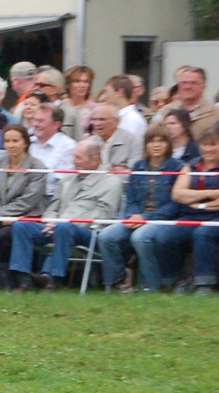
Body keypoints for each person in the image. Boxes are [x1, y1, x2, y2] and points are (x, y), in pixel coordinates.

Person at [5, 138, 121, 291]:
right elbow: (53, 206)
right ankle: (22, 279)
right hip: (56, 227)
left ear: (94, 159)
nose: (74, 161)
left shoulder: (111, 182)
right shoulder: (67, 180)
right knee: (21, 226)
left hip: (88, 231)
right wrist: (50, 222)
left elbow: (103, 215)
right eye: (74, 157)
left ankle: (54, 279)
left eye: (78, 158)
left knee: (64, 228)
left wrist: (64, 224)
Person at [133, 128, 219, 294]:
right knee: (164, 237)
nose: (208, 149)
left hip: (216, 218)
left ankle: (205, 284)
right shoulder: (191, 166)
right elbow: (178, 194)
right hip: (191, 215)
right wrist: (211, 195)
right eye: (204, 145)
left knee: (203, 233)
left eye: (213, 145)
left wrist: (196, 201)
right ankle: (176, 280)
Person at [98, 125, 182, 291]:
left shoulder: (177, 167)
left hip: (162, 220)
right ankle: (117, 283)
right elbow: (130, 198)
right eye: (152, 141)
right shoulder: (138, 167)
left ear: (168, 145)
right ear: (145, 145)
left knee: (140, 238)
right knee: (106, 236)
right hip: (136, 218)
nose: (156, 145)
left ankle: (153, 286)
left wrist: (146, 219)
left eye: (161, 141)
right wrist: (131, 216)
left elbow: (175, 205)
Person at [0, 125, 47, 289]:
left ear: (25, 143)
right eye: (7, 141)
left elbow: (30, 200)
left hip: (27, 215)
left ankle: (7, 277)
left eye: (15, 141)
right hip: (0, 213)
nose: (10, 145)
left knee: (3, 237)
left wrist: (2, 213)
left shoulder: (38, 167)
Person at [28, 103, 76, 200]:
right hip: (23, 195)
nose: (35, 125)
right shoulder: (27, 142)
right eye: (35, 120)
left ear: (56, 125)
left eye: (41, 121)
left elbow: (61, 181)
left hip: (49, 198)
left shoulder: (69, 147)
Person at [157, 66, 216, 138]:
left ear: (203, 87)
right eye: (184, 83)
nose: (187, 87)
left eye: (193, 83)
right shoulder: (166, 111)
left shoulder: (215, 114)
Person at [88, 103, 141, 170]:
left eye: (102, 119)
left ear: (116, 121)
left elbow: (134, 171)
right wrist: (113, 169)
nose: (96, 124)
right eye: (94, 119)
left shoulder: (133, 141)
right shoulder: (89, 143)